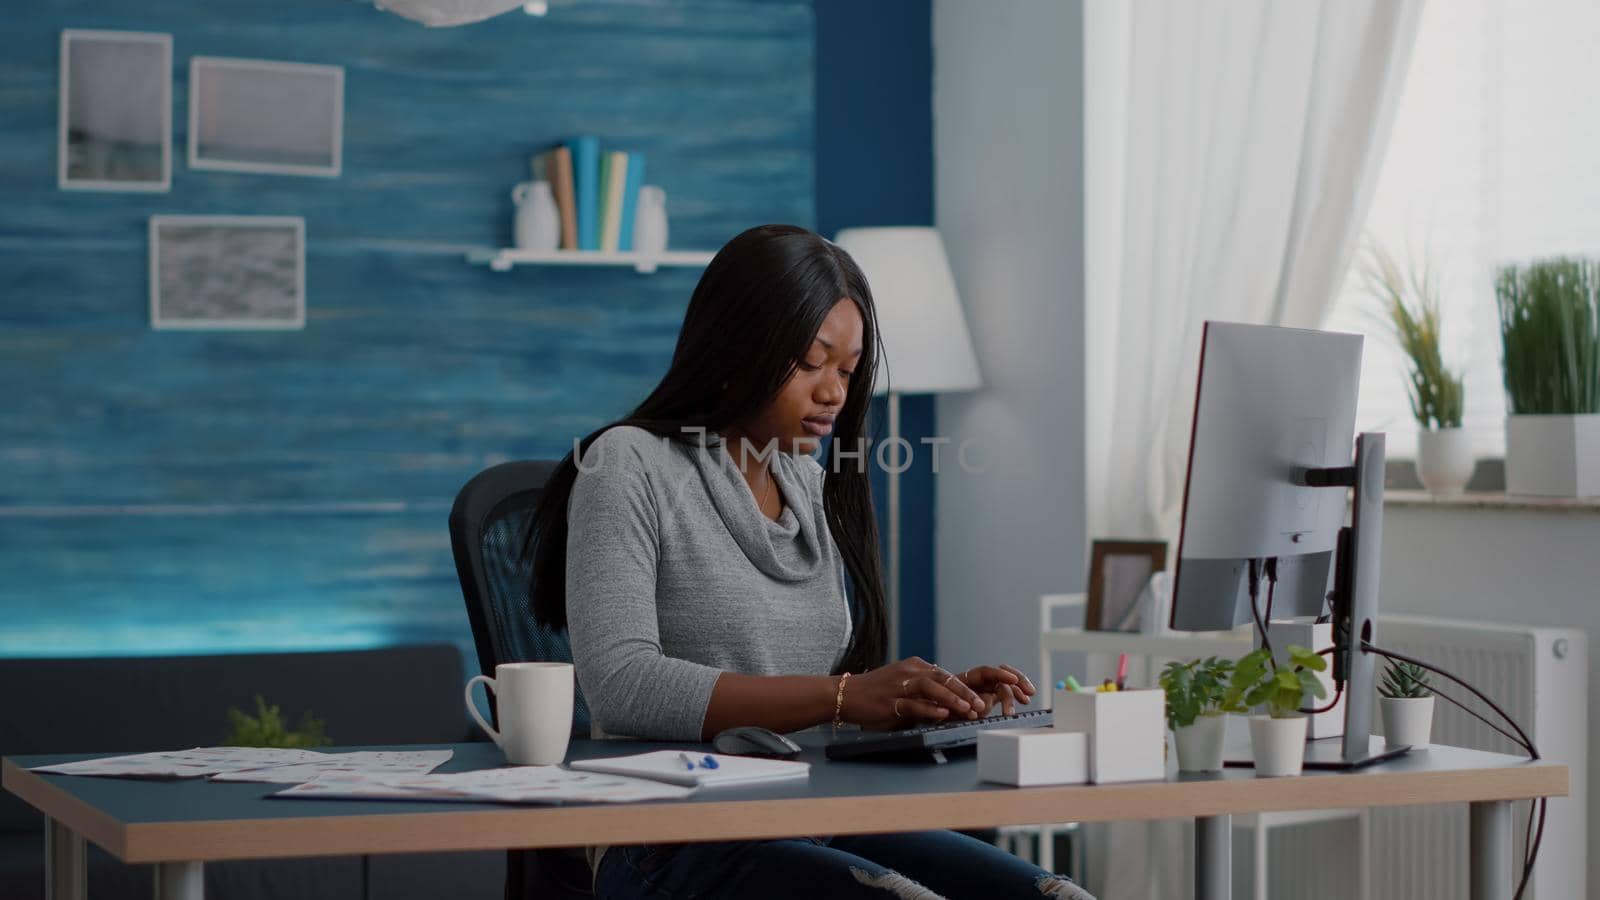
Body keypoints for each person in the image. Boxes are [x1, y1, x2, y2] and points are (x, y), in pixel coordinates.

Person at [527, 224, 1094, 900]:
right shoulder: (627, 464)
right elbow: (622, 684)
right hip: (670, 840)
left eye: (848, 371)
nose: (835, 392)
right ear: (737, 345)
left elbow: (821, 697)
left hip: (813, 813)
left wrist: (919, 703)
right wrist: (849, 696)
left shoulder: (809, 481)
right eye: (811, 362)